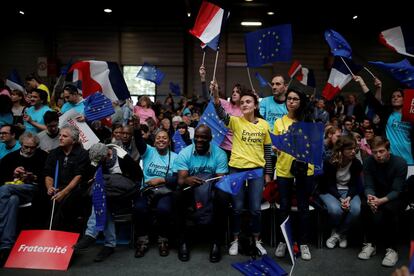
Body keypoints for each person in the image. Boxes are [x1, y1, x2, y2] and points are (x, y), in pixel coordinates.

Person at [212, 80, 272, 257]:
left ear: (255, 105)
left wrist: (268, 173)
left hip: (256, 171)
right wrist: (216, 94)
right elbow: (220, 112)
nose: (244, 104)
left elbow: (267, 150)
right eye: (242, 102)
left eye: (248, 102)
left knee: (255, 209)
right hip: (236, 169)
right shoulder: (235, 122)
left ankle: (256, 239)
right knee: (237, 208)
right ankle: (236, 240)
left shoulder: (264, 124)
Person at [73, 142, 142, 262]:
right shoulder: (100, 157)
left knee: (100, 187)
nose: (100, 162)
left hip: (128, 189)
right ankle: (109, 244)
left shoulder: (122, 157)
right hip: (109, 193)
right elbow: (89, 173)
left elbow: (138, 176)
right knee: (103, 200)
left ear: (108, 154)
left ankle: (91, 234)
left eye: (101, 159)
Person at [173, 125, 229, 263]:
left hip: (211, 188)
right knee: (177, 196)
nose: (199, 140)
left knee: (223, 197)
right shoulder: (185, 153)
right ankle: (183, 242)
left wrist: (206, 188)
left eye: (203, 137)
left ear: (210, 139)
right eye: (196, 136)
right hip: (191, 189)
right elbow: (180, 180)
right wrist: (187, 179)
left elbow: (220, 180)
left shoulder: (220, 154)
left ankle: (216, 243)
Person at [273, 88, 315, 261]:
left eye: (295, 99)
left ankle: (303, 243)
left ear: (301, 102)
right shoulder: (278, 122)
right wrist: (276, 147)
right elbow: (276, 145)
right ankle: (284, 241)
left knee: (303, 208)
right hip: (284, 169)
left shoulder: (308, 121)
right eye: (289, 99)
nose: (291, 101)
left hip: (305, 170)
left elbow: (314, 145)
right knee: (284, 207)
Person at [358, 136, 407, 267]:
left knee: (389, 209)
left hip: (395, 196)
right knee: (364, 205)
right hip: (376, 195)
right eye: (374, 152)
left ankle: (392, 250)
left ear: (388, 150)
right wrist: (370, 198)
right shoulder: (368, 162)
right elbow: (368, 185)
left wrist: (380, 201)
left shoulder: (400, 163)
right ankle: (370, 244)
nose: (378, 155)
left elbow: (397, 190)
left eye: (381, 151)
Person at [0, 132, 48, 266]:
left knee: (4, 190)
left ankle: (0, 226)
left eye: (32, 147)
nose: (29, 150)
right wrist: (13, 173)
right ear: (21, 144)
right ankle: (6, 246)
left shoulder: (43, 156)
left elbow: (47, 177)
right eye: (26, 147)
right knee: (12, 200)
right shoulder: (9, 158)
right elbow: (1, 178)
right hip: (14, 190)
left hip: (33, 190)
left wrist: (33, 177)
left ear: (36, 146)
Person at [132, 118, 178, 258]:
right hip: (146, 191)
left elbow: (176, 179)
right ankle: (142, 240)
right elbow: (139, 141)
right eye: (158, 138)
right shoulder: (149, 152)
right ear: (154, 141)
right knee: (139, 208)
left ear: (169, 142)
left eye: (165, 138)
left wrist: (161, 180)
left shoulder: (175, 157)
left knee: (163, 209)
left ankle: (163, 240)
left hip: (165, 191)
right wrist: (135, 127)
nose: (161, 140)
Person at [354, 75, 414, 165]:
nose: (395, 98)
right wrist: (362, 83)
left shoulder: (410, 116)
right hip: (390, 161)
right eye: (393, 96)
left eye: (399, 96)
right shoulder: (386, 113)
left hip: (409, 161)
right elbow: (372, 100)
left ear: (404, 99)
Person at [43, 125, 91, 231]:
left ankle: (54, 233)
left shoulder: (82, 154)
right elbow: (48, 174)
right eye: (60, 135)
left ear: (73, 140)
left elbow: (78, 176)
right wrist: (49, 187)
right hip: (56, 187)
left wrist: (63, 193)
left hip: (75, 189)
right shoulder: (54, 153)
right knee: (44, 200)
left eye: (64, 136)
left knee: (64, 202)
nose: (60, 138)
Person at [320, 135, 362, 249]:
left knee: (356, 209)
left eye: (354, 149)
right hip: (330, 191)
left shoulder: (356, 163)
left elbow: (354, 184)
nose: (353, 152)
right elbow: (329, 185)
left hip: (349, 191)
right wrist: (341, 199)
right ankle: (338, 229)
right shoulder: (330, 162)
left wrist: (348, 198)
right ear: (341, 150)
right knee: (335, 210)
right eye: (349, 149)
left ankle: (339, 233)